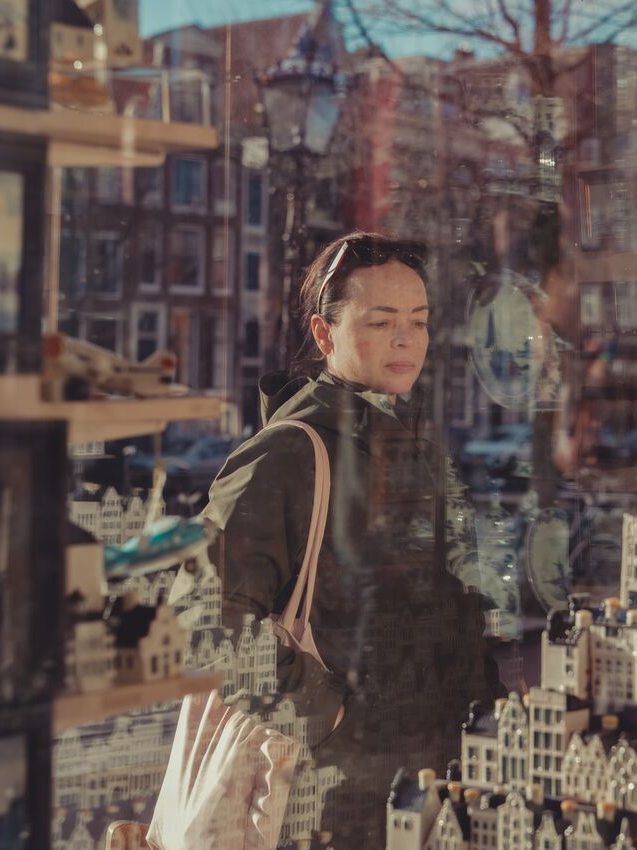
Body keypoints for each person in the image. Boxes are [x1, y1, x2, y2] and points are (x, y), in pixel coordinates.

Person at [197, 232, 505, 845]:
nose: (405, 339)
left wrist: (490, 710)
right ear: (323, 333)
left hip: (435, 778)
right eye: (382, 321)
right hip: (334, 800)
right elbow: (204, 618)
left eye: (418, 322)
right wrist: (327, 717)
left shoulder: (412, 443)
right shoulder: (287, 453)